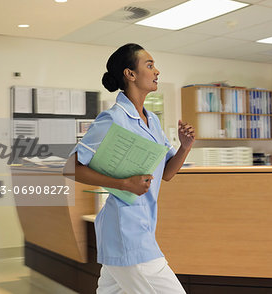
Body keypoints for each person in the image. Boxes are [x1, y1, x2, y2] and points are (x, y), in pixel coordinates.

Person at [65, 43, 195, 293]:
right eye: (149, 65)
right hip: (127, 231)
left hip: (139, 229)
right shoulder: (112, 118)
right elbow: (71, 168)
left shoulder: (152, 120)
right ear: (130, 74)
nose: (157, 71)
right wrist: (124, 184)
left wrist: (184, 147)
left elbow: (166, 173)